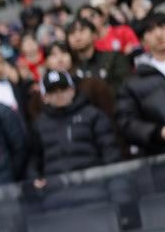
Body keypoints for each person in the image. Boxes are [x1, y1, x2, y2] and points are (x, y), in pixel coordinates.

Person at [30, 71, 120, 207]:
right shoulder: (39, 124)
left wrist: (111, 187)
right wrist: (35, 179)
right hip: (56, 194)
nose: (59, 95)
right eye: (53, 92)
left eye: (63, 89)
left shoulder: (93, 115)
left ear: (72, 90)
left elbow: (110, 154)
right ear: (44, 97)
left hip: (96, 189)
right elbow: (33, 160)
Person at [117, 12, 165, 155]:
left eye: (163, 26)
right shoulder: (133, 82)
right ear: (143, 41)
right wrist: (159, 132)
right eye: (150, 30)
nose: (159, 34)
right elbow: (127, 122)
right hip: (161, 156)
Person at [67, 16, 132, 92]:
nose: (77, 36)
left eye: (82, 30)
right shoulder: (69, 68)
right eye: (72, 33)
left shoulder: (114, 57)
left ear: (94, 35)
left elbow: (124, 86)